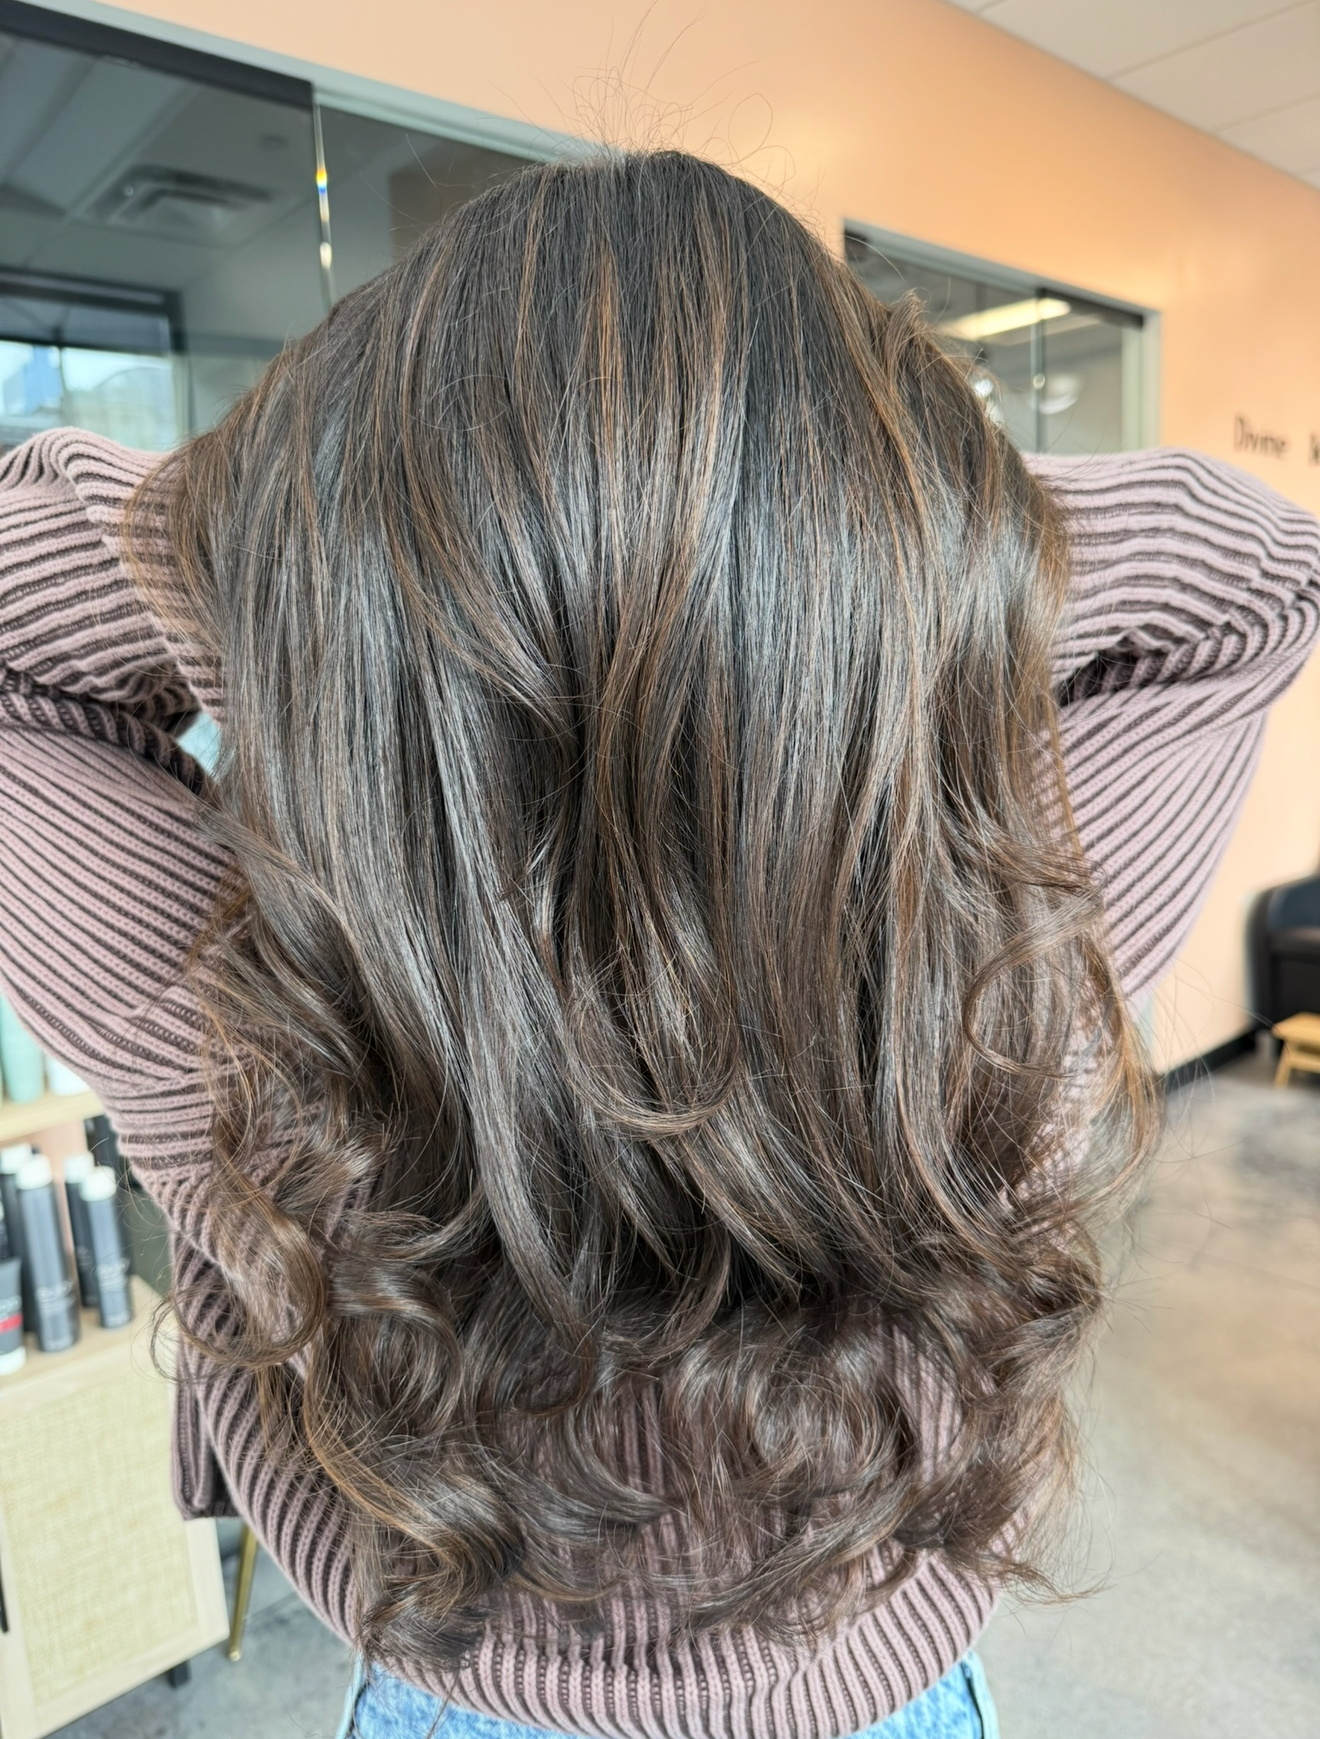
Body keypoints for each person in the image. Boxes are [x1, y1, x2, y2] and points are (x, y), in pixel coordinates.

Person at [0, 151, 1316, 1739]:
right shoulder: (979, 1007)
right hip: (873, 1673)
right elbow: (1250, 575)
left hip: (452, 1677)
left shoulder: (244, 1049)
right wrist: (855, 545)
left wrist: (314, 552)